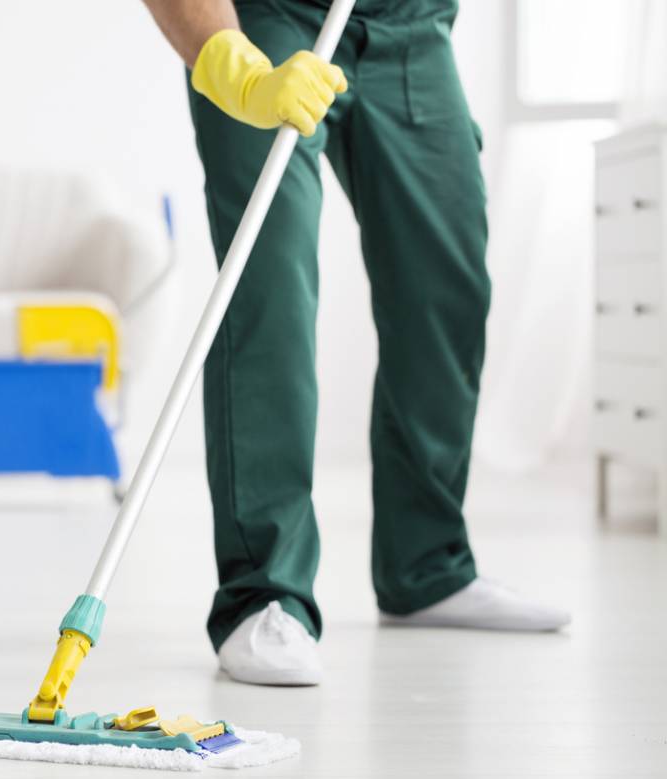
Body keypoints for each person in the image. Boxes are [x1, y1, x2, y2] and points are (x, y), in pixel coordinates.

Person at [140, 0, 570, 686]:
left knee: (444, 284)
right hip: (268, 21)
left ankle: (427, 568)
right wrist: (234, 67)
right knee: (269, 286)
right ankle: (263, 595)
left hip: (411, 28)